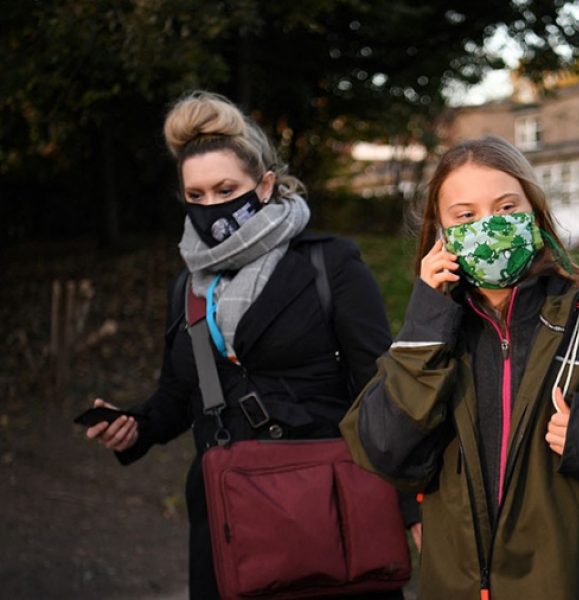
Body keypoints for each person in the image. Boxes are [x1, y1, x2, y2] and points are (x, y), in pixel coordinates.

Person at [340, 135, 579, 599]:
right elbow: (384, 448)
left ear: (534, 213)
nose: (490, 226)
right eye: (466, 216)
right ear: (441, 233)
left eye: (506, 208)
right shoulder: (430, 333)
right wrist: (426, 321)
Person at [82, 91, 417, 599]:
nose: (211, 207)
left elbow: (381, 391)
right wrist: (135, 428)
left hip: (327, 505)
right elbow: (179, 397)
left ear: (263, 185)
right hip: (229, 519)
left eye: (225, 189)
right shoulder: (189, 286)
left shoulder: (329, 263)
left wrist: (411, 504)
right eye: (196, 196)